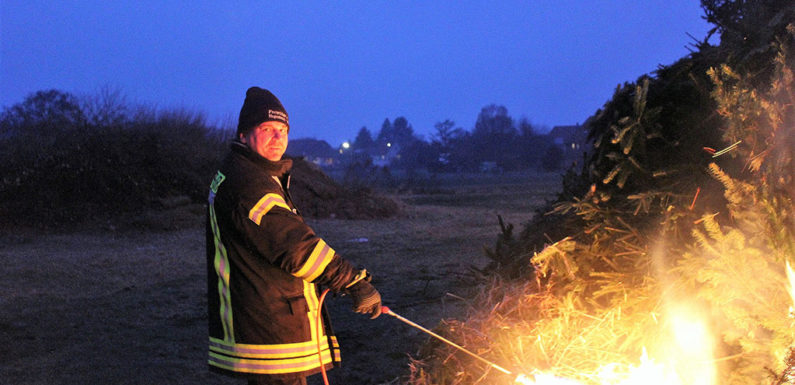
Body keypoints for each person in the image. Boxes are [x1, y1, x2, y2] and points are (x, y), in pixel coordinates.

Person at [206, 87, 382, 385]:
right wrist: (351, 280)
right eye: (267, 129)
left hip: (268, 320)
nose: (278, 138)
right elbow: (294, 247)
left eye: (283, 130)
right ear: (244, 135)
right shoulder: (248, 184)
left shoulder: (249, 174)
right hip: (269, 327)